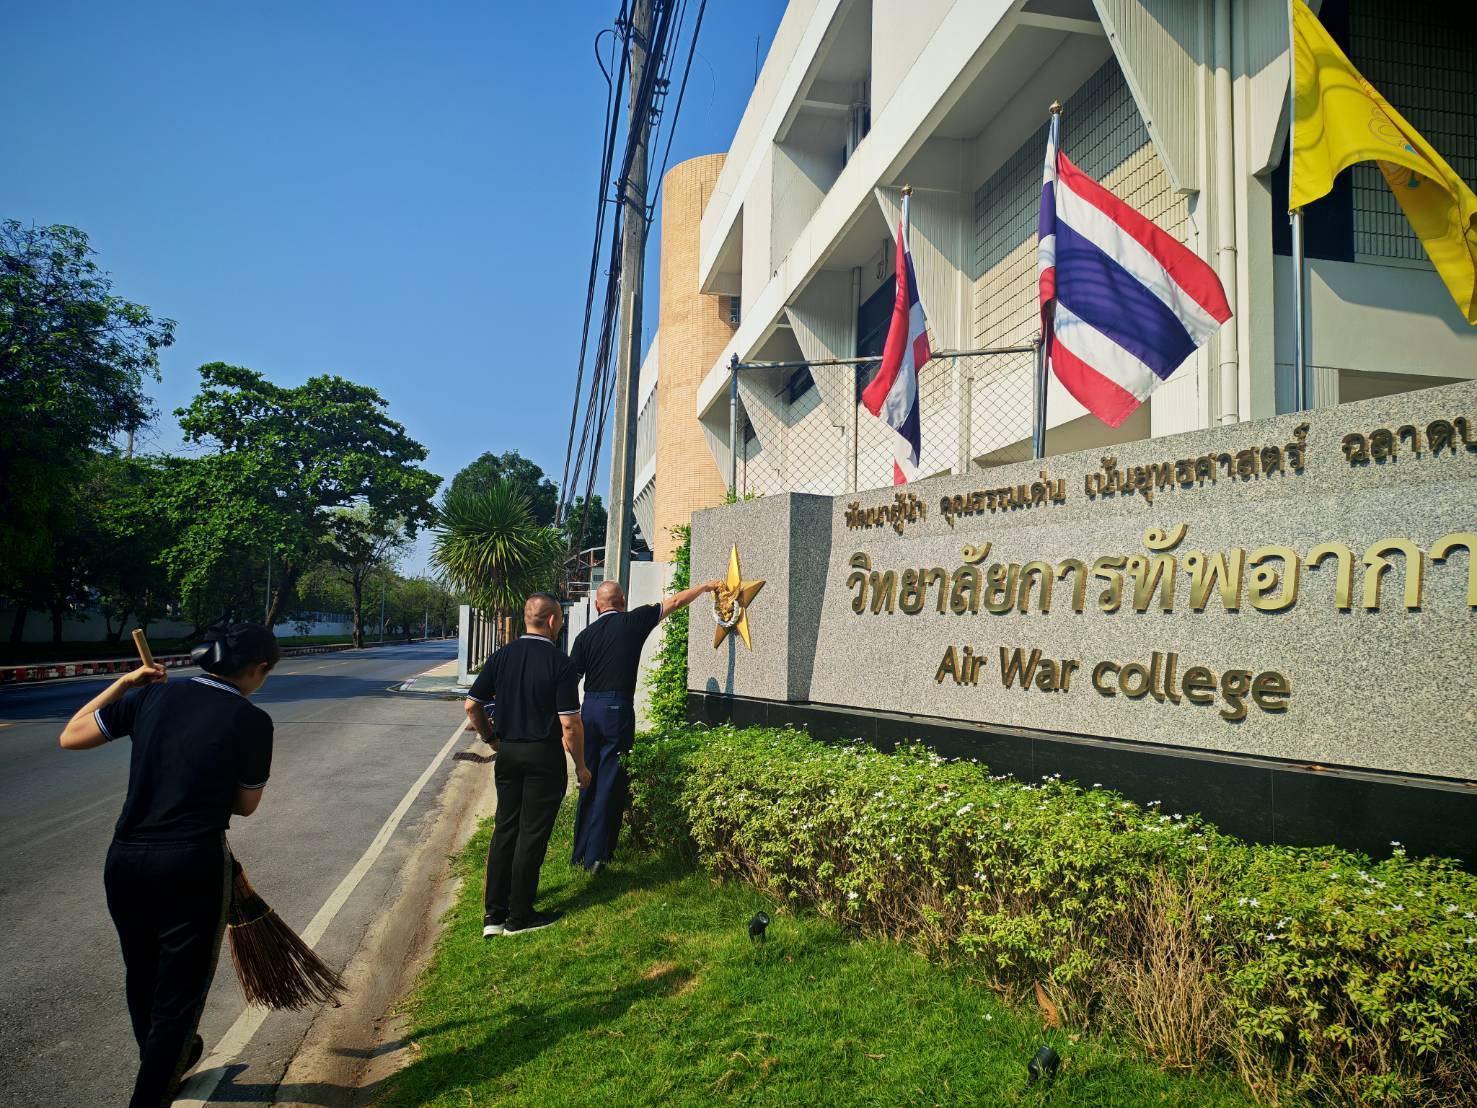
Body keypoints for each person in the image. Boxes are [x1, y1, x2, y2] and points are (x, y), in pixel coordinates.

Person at [58, 622, 278, 1108]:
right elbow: (246, 806)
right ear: (258, 669)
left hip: (125, 860)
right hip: (191, 864)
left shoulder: (149, 697)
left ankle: (166, 1061)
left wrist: (125, 683)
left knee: (143, 975)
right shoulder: (252, 720)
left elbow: (71, 736)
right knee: (178, 996)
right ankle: (153, 1087)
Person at [567, 576, 721, 874]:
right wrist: (704, 587)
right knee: (610, 780)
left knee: (588, 777)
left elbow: (570, 682)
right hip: (616, 708)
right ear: (623, 602)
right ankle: (596, 857)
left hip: (589, 710)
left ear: (598, 606)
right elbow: (675, 602)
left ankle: (579, 852)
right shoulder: (634, 621)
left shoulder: (584, 636)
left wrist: (569, 722)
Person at [464, 593, 591, 937]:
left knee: (505, 829)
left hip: (508, 753)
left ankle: (494, 916)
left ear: (526, 619)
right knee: (531, 834)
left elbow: (472, 706)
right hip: (543, 756)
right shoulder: (560, 663)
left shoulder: (501, 656)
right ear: (551, 621)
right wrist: (581, 766)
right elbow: (569, 723)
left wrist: (491, 739)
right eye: (560, 620)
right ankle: (519, 916)